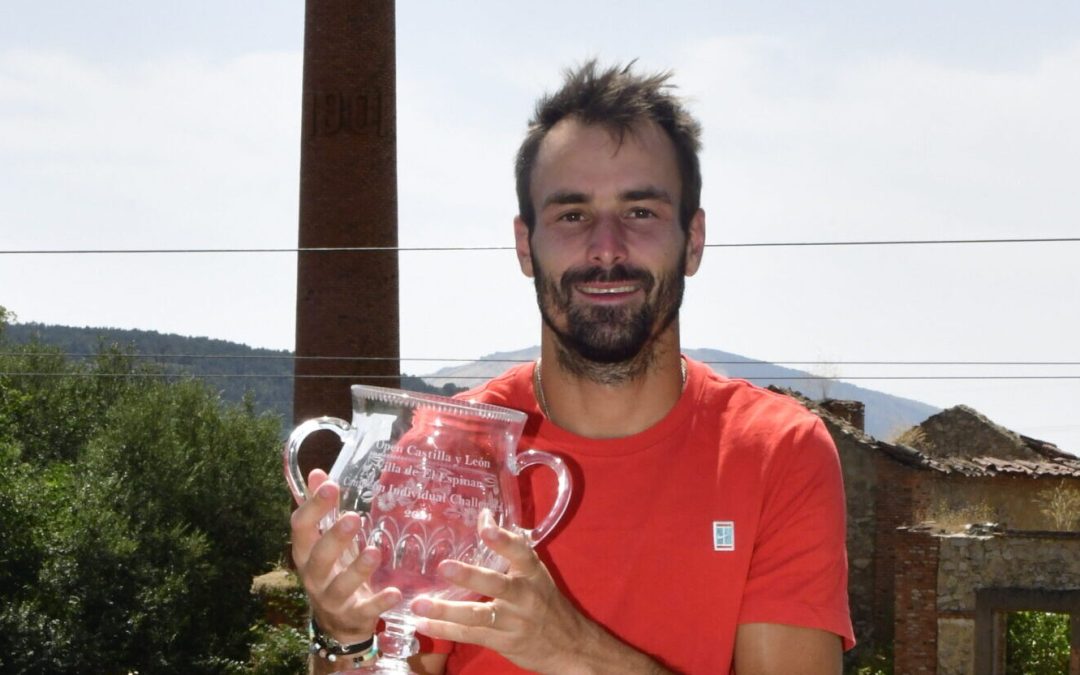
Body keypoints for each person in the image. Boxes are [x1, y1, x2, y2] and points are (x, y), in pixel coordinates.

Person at [290, 60, 855, 674]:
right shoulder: (450, 450)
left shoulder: (776, 451)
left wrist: (572, 650)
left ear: (693, 241)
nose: (606, 248)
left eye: (640, 212)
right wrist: (345, 635)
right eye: (572, 215)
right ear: (524, 246)